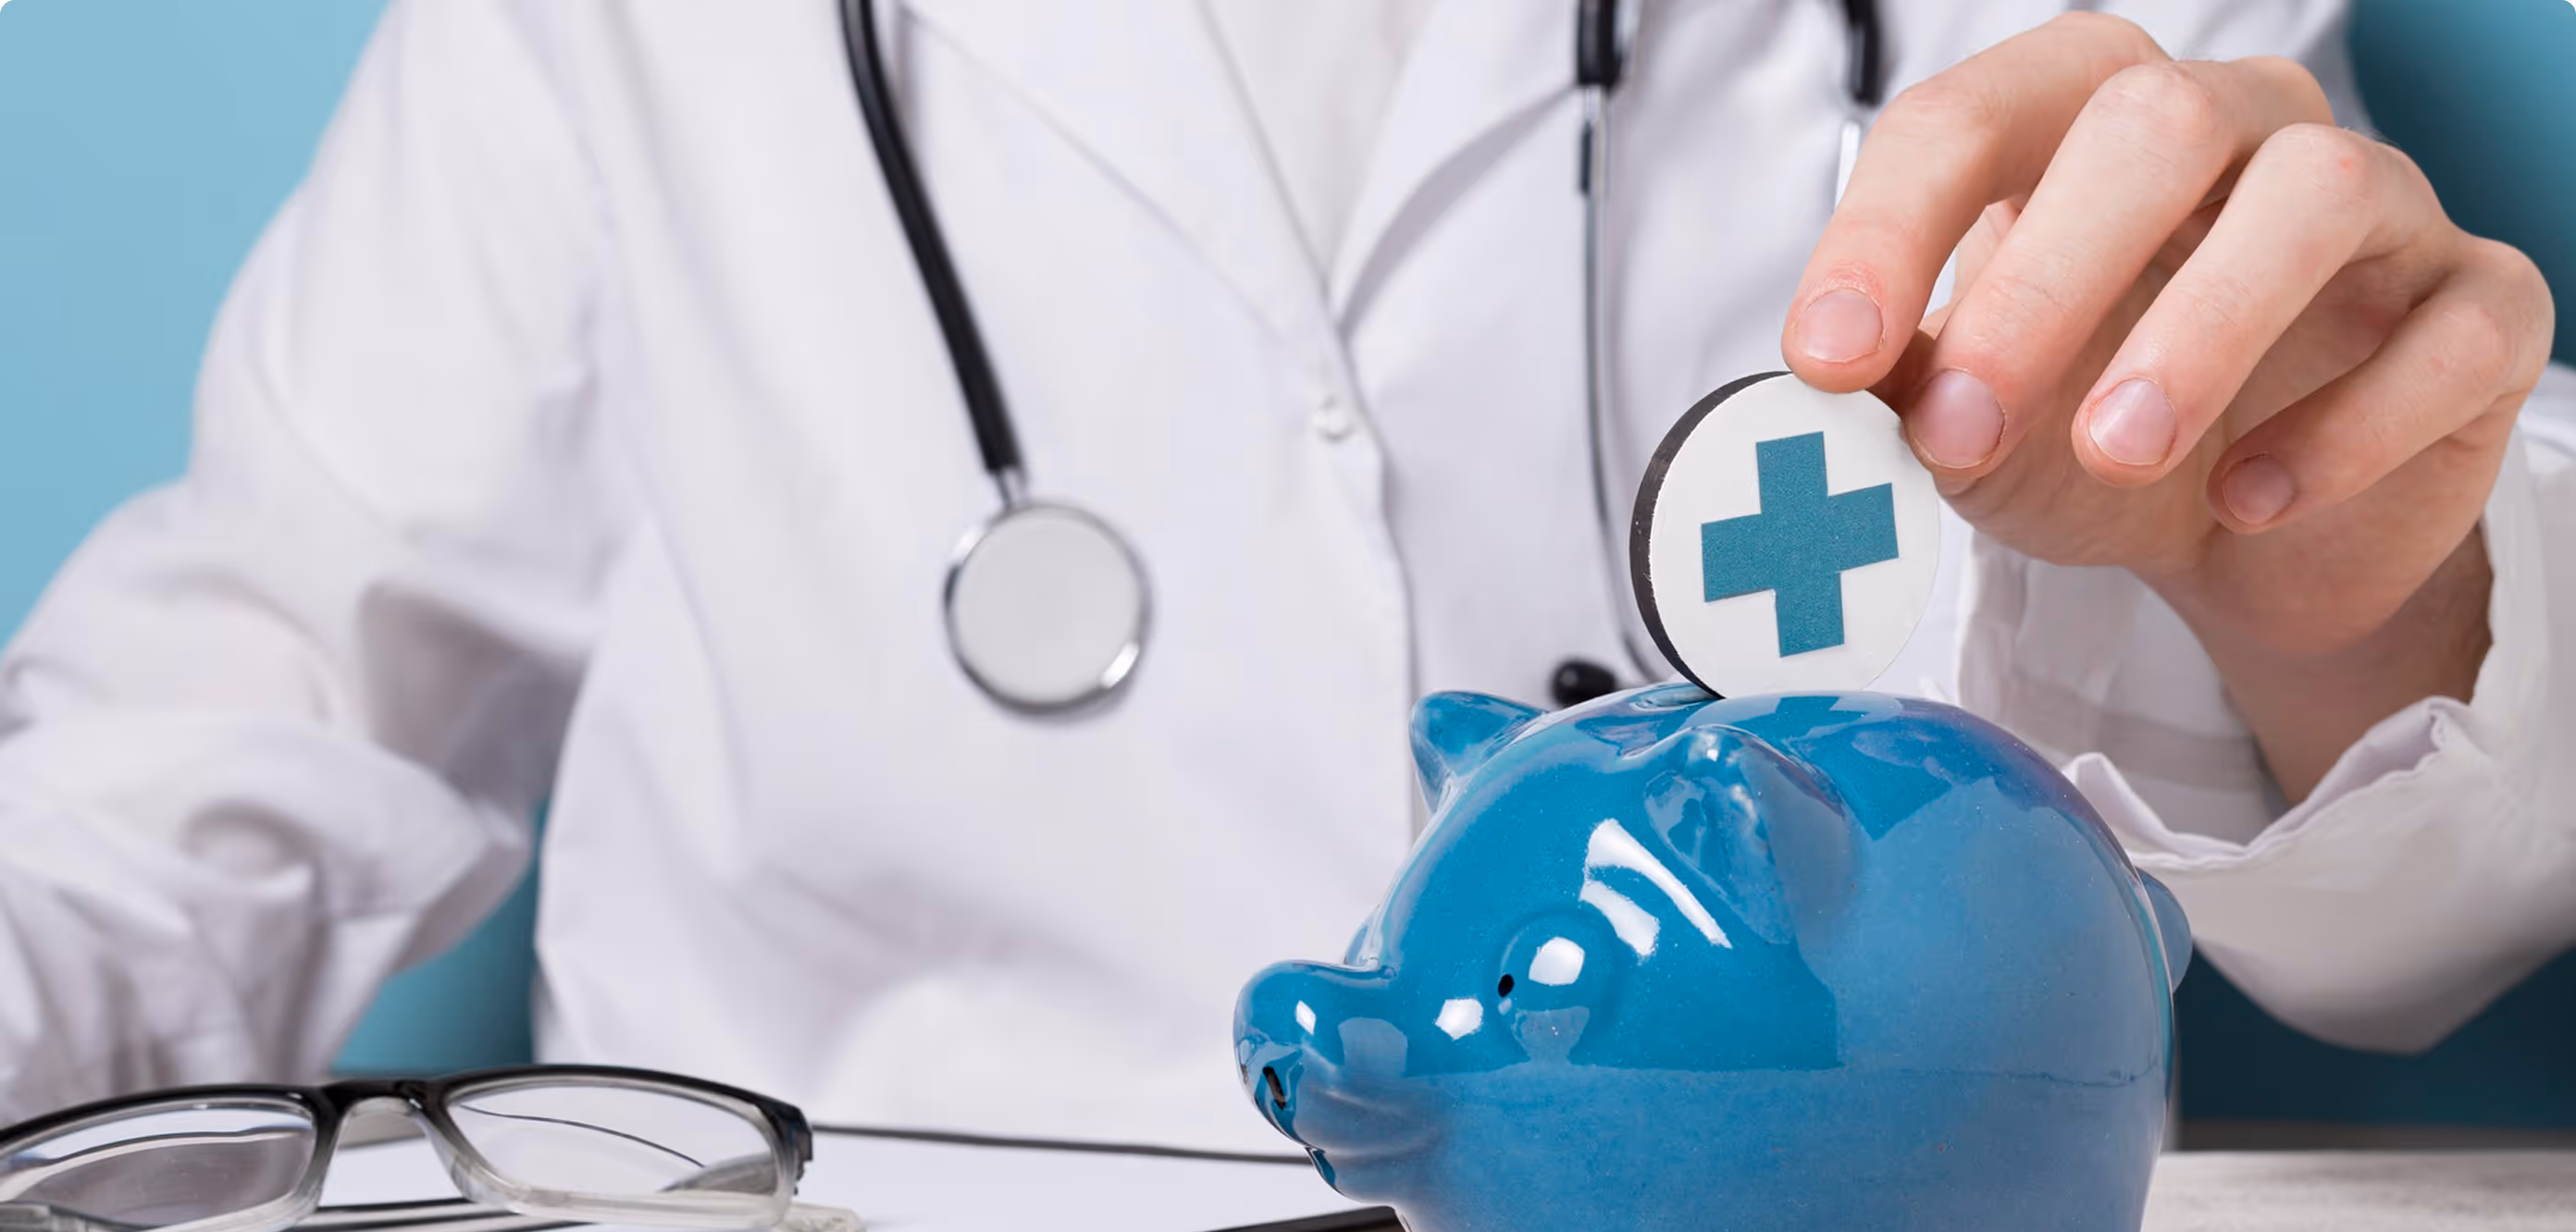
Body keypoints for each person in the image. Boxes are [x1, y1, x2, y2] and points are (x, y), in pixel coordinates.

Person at [0, 0, 2562, 1152]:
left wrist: (2322, 579)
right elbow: (250, 704)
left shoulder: (2078, 31)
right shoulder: (602, 36)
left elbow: (2391, 909)